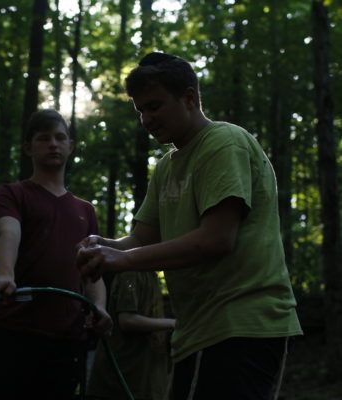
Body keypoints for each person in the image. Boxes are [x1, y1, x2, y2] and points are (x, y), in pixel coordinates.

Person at [77, 52, 303, 400]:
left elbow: (216, 239)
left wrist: (120, 260)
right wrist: (101, 245)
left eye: (154, 106)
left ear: (189, 98)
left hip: (242, 324)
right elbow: (141, 238)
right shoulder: (167, 166)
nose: (146, 119)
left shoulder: (223, 143)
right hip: (196, 330)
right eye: (140, 110)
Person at [0, 109, 112, 400]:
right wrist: (5, 275)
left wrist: (100, 307)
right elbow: (9, 232)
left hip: (68, 338)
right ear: (28, 147)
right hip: (13, 329)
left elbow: (91, 269)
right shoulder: (13, 194)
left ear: (71, 146)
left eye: (60, 138)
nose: (53, 144)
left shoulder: (85, 210)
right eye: (44, 138)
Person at [86, 270, 174, 400]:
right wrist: (172, 323)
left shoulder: (151, 274)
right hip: (121, 380)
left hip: (143, 379)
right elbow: (127, 320)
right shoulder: (131, 274)